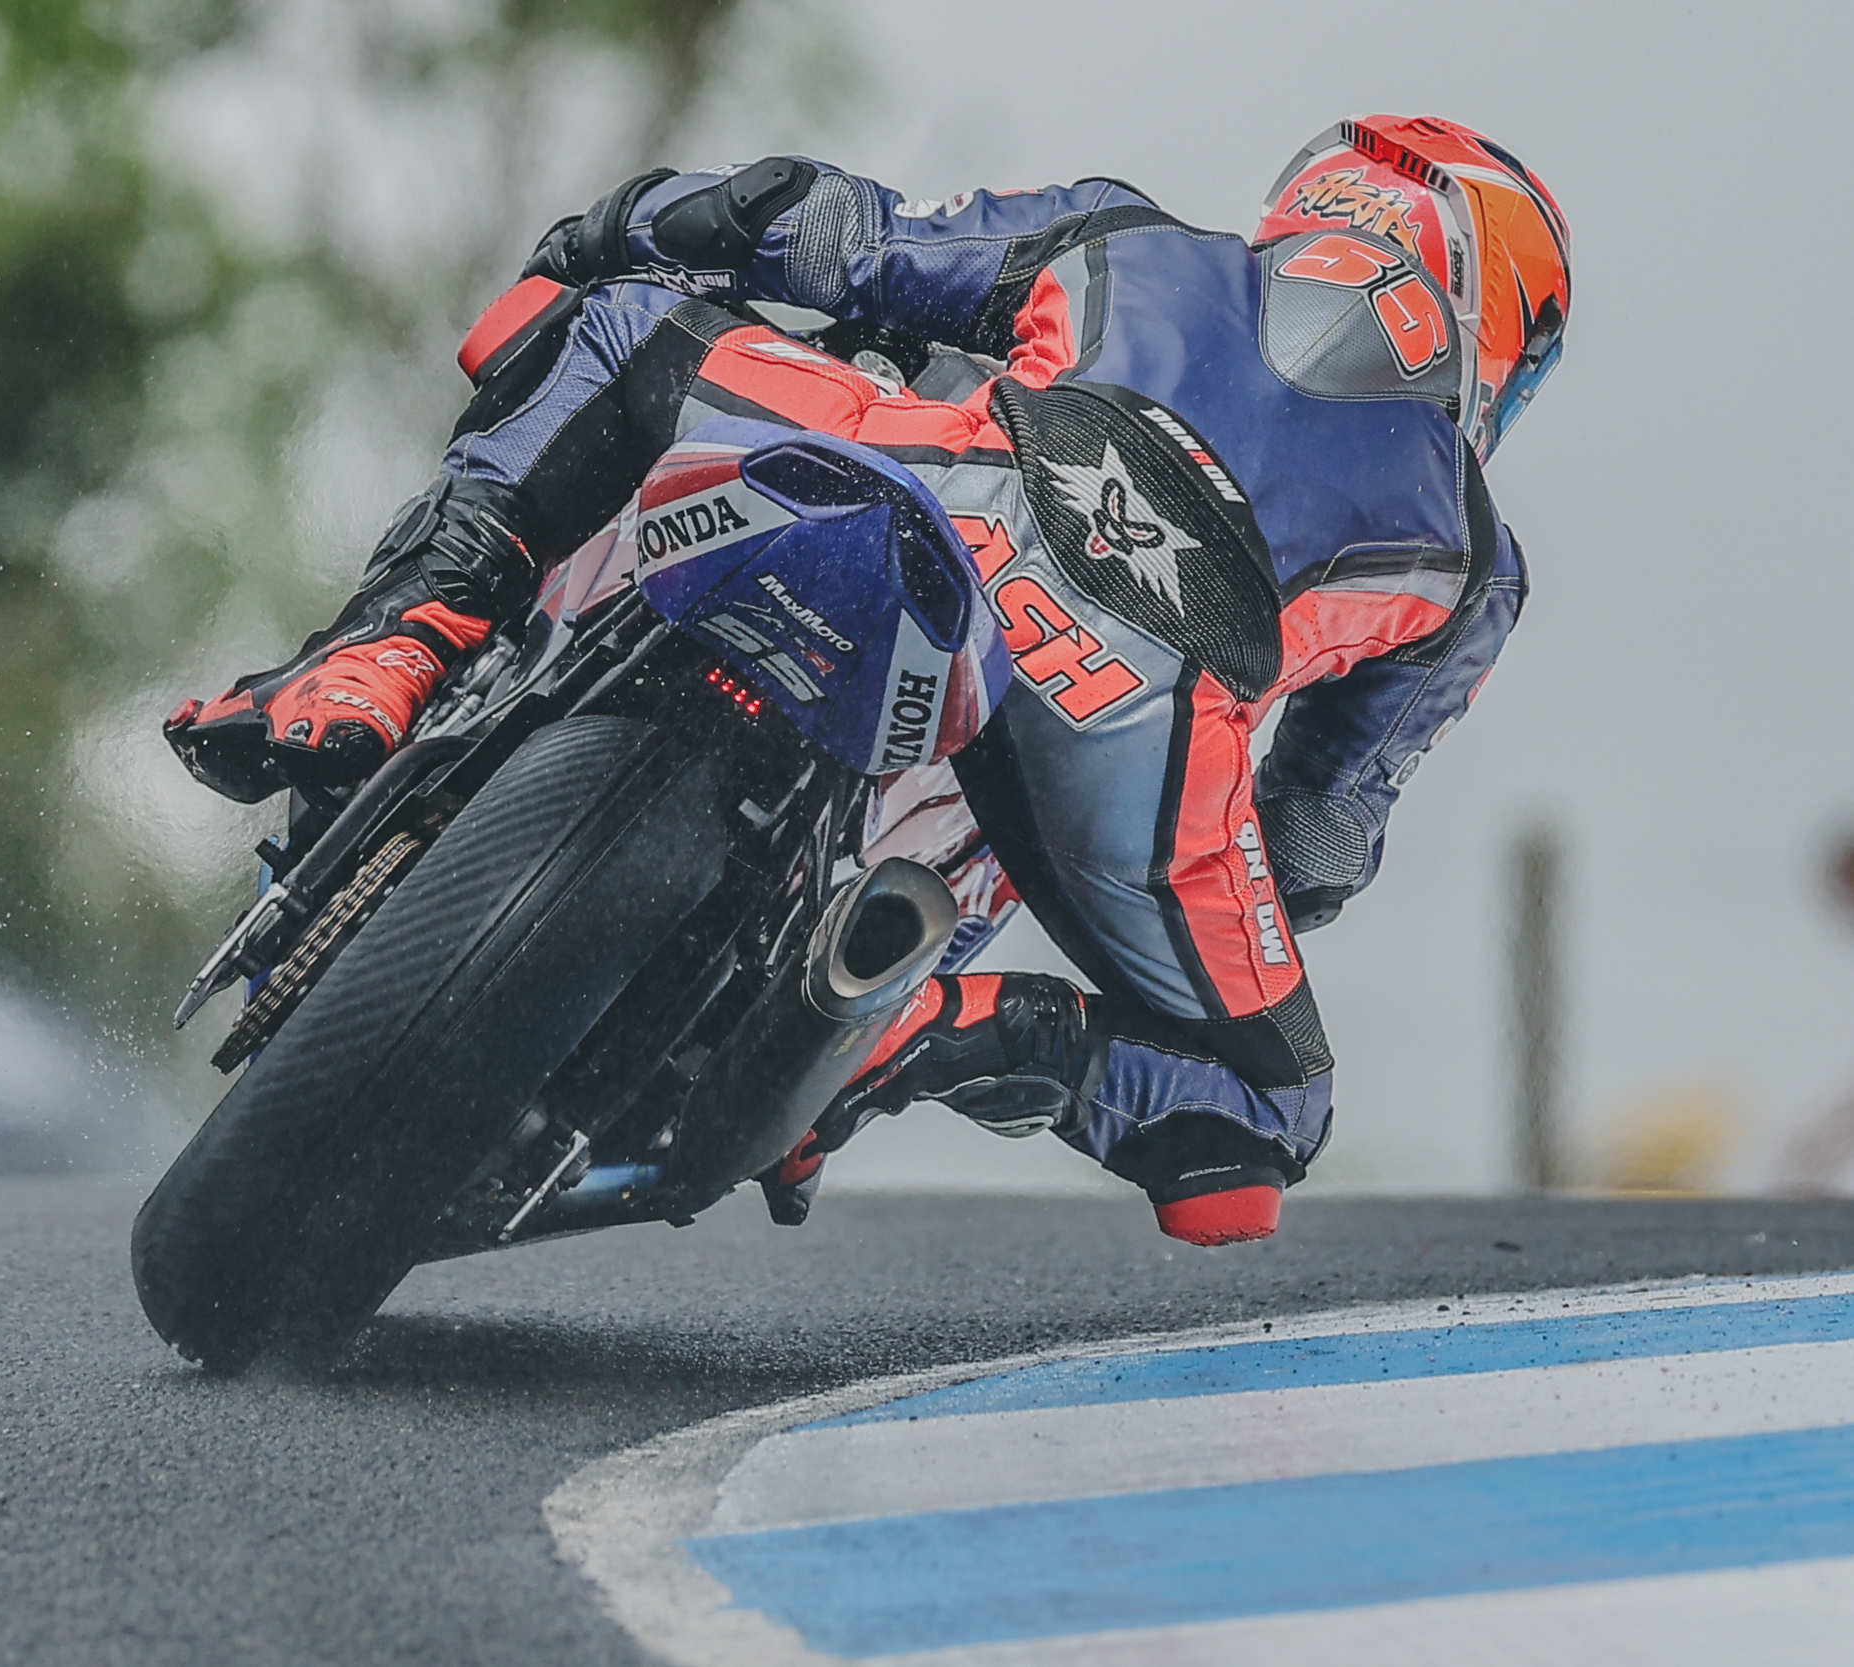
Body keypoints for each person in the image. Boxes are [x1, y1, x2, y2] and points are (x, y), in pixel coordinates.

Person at [164, 116, 1571, 1245]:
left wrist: (608, 230)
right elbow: (1320, 838)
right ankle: (902, 1037)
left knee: (618, 320)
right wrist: (1223, 893)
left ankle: (388, 648)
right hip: (1137, 719)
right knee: (1267, 1124)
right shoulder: (1470, 559)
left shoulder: (1118, 237)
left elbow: (815, 227)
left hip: (932, 480)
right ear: (1501, 329)